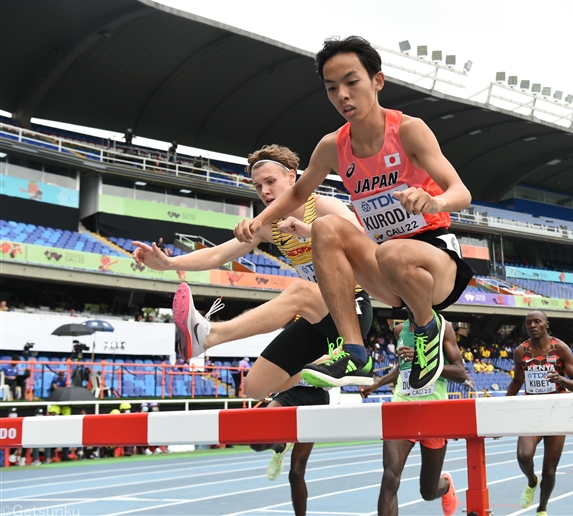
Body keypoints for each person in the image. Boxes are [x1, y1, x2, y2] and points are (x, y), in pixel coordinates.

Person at [234, 36, 474, 391]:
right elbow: (299, 191)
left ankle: (427, 328)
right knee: (327, 226)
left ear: (377, 81)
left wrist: (434, 201)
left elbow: (461, 192)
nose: (342, 95)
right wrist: (260, 220)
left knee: (393, 250)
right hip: (385, 269)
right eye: (332, 88)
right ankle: (354, 352)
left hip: (435, 262)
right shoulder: (333, 146)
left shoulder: (409, 130)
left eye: (351, 82)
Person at [132, 144, 374, 400]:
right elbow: (218, 254)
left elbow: (363, 238)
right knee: (256, 387)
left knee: (299, 291)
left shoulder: (324, 206)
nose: (265, 191)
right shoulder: (268, 226)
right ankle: (318, 377)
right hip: (318, 315)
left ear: (292, 176)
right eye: (258, 186)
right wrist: (169, 263)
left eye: (270, 181)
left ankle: (210, 334)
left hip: (352, 308)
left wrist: (309, 230)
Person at [359, 314, 465, 516]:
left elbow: (460, 373)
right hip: (402, 409)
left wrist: (422, 359)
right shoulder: (400, 330)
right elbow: (402, 367)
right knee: (390, 477)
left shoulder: (443, 327)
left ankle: (445, 485)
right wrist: (378, 383)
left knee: (428, 491)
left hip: (433, 413)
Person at [506, 310, 573, 514]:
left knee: (549, 471)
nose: (532, 325)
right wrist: (503, 412)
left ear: (546, 324)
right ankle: (532, 481)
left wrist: (562, 380)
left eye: (537, 321)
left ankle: (542, 508)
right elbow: (517, 382)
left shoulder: (560, 349)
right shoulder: (521, 351)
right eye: (528, 322)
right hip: (532, 411)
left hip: (557, 412)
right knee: (524, 456)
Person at [250, 383, 330, 516]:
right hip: (288, 392)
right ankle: (279, 446)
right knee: (256, 441)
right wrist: (268, 385)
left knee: (296, 473)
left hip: (316, 397)